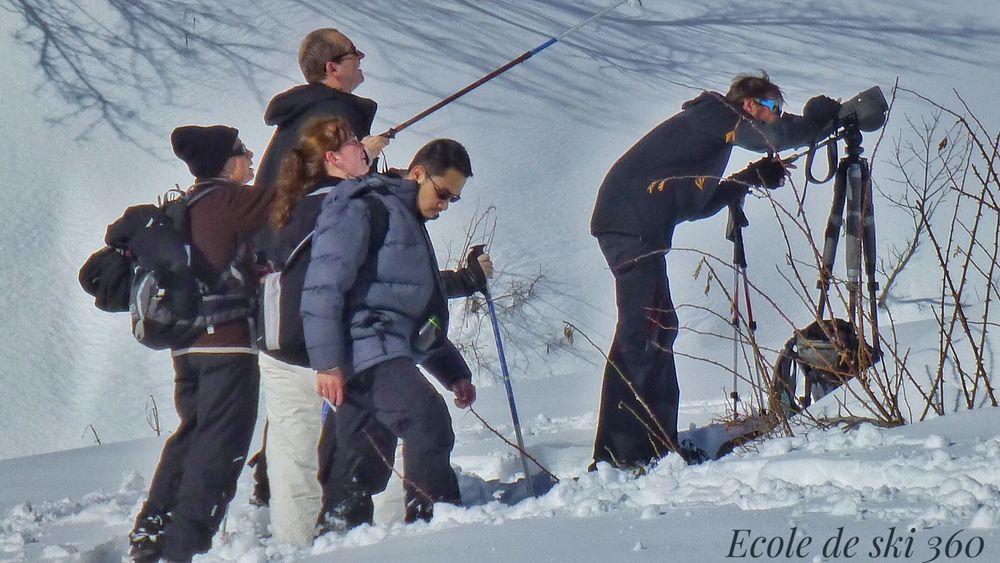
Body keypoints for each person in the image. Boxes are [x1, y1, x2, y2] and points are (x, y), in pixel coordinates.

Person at [589, 71, 841, 470]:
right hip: (629, 225)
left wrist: (746, 180)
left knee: (657, 328)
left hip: (636, 227)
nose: (778, 115)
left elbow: (694, 205)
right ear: (750, 105)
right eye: (775, 107)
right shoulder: (716, 114)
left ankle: (648, 443)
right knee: (644, 332)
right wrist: (817, 119)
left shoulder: (712, 131)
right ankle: (624, 453)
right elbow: (776, 137)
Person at [258, 119, 491, 544]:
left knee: (354, 460)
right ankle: (438, 531)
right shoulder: (361, 204)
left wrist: (453, 371)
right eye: (442, 193)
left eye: (453, 200)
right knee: (427, 420)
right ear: (418, 173)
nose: (444, 205)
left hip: (380, 351)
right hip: (365, 350)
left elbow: (414, 312)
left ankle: (339, 540)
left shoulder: (403, 217)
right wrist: (328, 362)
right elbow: (323, 287)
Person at [248, 25, 389, 511]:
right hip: (311, 281)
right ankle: (331, 504)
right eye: (355, 54)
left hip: (281, 280)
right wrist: (365, 163)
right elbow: (322, 202)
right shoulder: (328, 116)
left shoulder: (298, 118)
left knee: (296, 410)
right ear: (334, 67)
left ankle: (277, 489)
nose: (361, 59)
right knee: (325, 402)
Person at [128, 125, 273, 562]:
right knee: (220, 449)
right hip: (227, 347)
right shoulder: (229, 199)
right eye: (243, 152)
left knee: (190, 438)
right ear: (227, 165)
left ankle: (151, 534)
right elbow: (292, 199)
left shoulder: (186, 206)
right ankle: (182, 548)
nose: (251, 158)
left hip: (187, 347)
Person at [255, 28, 389, 189]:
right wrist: (366, 155)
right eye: (353, 51)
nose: (361, 56)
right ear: (333, 68)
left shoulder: (300, 114)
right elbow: (348, 192)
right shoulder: (338, 114)